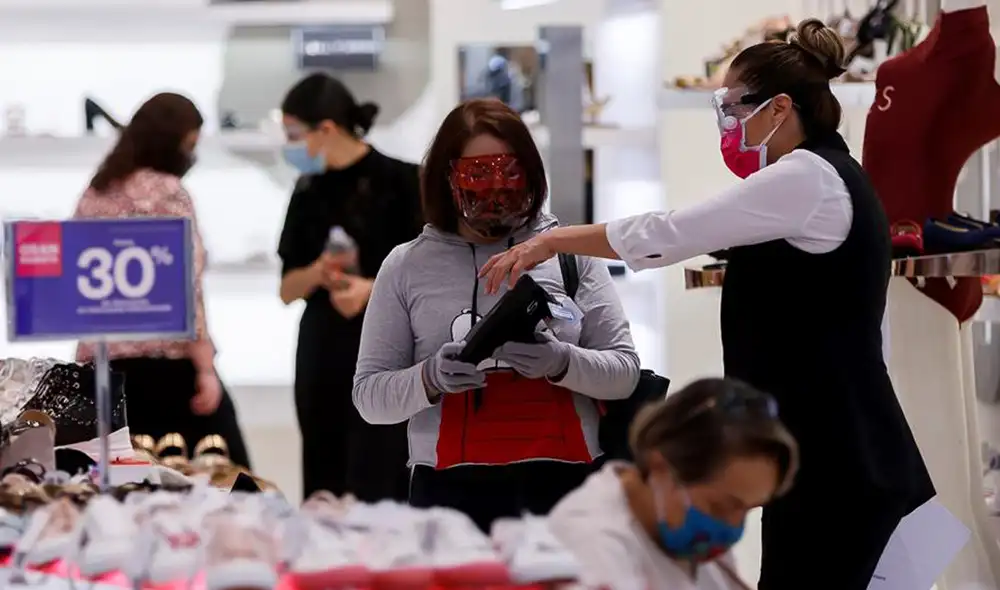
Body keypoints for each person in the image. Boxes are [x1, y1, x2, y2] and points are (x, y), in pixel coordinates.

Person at [479, 19, 935, 590]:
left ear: (779, 108)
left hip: (840, 457)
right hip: (837, 448)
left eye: (732, 108)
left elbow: (668, 232)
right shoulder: (824, 174)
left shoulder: (806, 178)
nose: (727, 124)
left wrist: (551, 241)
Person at [352, 97, 640, 532]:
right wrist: (429, 378)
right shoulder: (407, 266)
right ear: (447, 177)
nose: (495, 188)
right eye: (478, 173)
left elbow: (624, 373)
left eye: (510, 172)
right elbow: (370, 397)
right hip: (448, 494)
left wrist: (561, 362)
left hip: (568, 490)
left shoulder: (569, 254)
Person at [74, 92, 252, 468]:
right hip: (166, 366)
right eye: (189, 145)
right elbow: (186, 285)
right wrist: (205, 364)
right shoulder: (169, 194)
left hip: (103, 368)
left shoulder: (95, 193)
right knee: (215, 476)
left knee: (113, 482)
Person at [277, 73, 421, 502]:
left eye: (294, 134)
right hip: (323, 350)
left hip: (387, 347)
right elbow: (286, 289)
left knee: (383, 475)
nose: (290, 146)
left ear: (326, 128)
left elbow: (429, 276)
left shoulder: (404, 182)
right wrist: (318, 273)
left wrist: (371, 289)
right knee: (324, 474)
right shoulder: (307, 190)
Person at [549, 378, 798, 590]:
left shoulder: (685, 532)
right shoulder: (589, 546)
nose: (733, 529)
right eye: (720, 507)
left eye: (747, 510)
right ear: (661, 467)